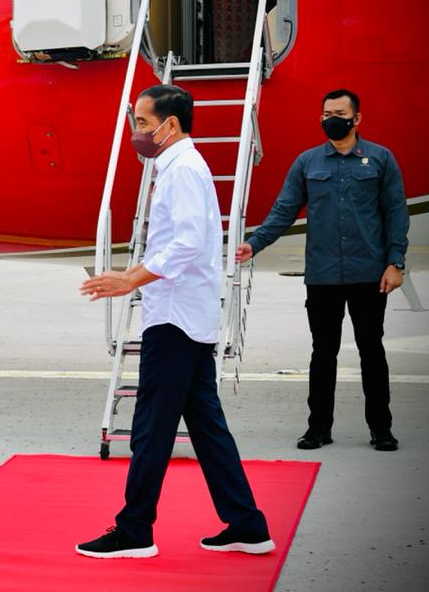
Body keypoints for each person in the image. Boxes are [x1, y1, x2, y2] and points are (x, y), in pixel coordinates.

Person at [77, 85, 274, 559]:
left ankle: (135, 530)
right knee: (206, 427)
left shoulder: (182, 170)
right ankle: (247, 524)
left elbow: (184, 245)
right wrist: (134, 277)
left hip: (176, 319)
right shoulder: (178, 167)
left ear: (170, 124)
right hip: (184, 314)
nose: (136, 133)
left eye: (143, 124)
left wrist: (130, 279)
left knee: (150, 425)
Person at [236, 89, 408, 452]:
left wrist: (396, 263)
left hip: (368, 273)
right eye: (326, 112)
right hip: (323, 275)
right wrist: (256, 243)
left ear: (356, 118)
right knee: (323, 352)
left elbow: (396, 213)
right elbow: (284, 210)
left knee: (371, 351)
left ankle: (381, 429)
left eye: (340, 112)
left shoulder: (380, 159)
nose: (332, 118)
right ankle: (318, 429)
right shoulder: (307, 163)